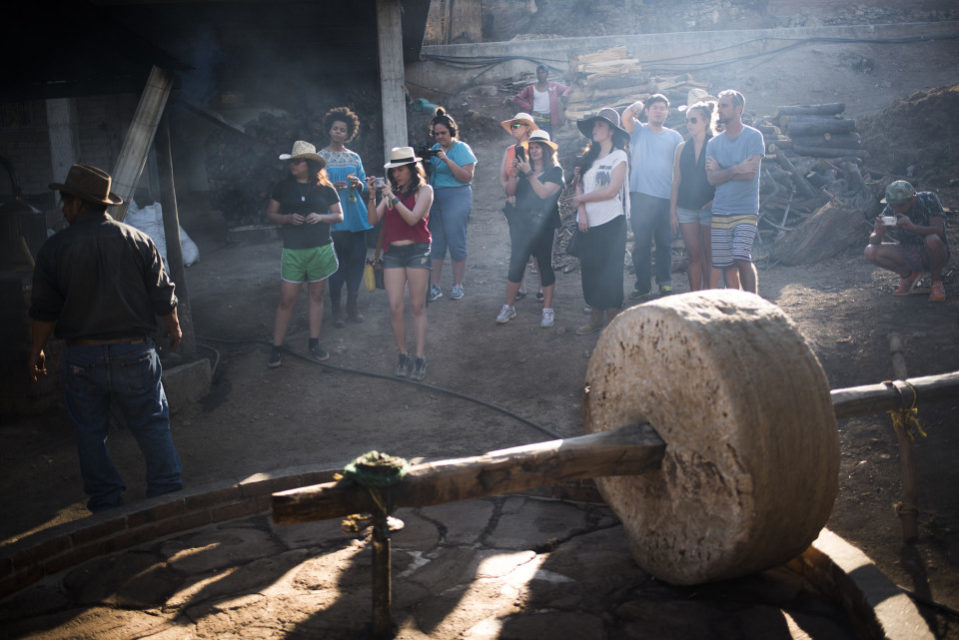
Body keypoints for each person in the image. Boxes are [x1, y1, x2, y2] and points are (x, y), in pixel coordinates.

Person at [28, 163, 183, 512]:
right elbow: (163, 293)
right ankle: (168, 490)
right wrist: (174, 327)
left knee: (90, 432)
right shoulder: (138, 240)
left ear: (79, 204)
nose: (64, 208)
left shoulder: (54, 249)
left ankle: (107, 500)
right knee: (151, 423)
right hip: (135, 353)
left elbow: (44, 309)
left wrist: (36, 351)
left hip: (83, 359)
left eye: (66, 202)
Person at [266, 141, 343, 367]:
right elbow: (271, 214)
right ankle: (276, 346)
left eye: (297, 161)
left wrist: (321, 217)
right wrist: (287, 218)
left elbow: (339, 216)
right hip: (293, 250)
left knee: (316, 297)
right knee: (287, 300)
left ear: (309, 164)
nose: (293, 165)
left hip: (320, 248)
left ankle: (314, 342)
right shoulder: (282, 187)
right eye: (292, 161)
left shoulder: (326, 188)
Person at [367, 147, 435, 380]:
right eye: (394, 170)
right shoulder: (389, 193)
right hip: (393, 252)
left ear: (412, 169)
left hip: (418, 249)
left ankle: (419, 356)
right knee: (395, 307)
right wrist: (374, 196)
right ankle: (403, 354)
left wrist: (392, 197)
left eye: (401, 170)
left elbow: (413, 218)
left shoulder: (425, 190)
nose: (397, 174)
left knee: (417, 307)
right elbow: (372, 219)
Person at [571, 107, 630, 335]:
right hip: (588, 222)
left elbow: (611, 190)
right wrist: (582, 211)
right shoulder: (589, 157)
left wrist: (581, 200)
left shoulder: (619, 156)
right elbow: (579, 184)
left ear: (611, 131)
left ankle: (611, 321)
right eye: (594, 125)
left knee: (611, 272)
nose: (595, 130)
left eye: (600, 126)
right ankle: (595, 318)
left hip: (612, 222)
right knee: (590, 270)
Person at [497, 129, 564, 328]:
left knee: (544, 265)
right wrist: (516, 173)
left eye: (538, 147)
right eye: (531, 147)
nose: (534, 151)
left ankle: (547, 309)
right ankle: (508, 306)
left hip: (545, 225)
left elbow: (544, 194)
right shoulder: (524, 169)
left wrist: (528, 173)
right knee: (516, 264)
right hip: (522, 224)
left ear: (546, 150)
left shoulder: (555, 172)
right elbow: (509, 191)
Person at [622, 94, 684, 299]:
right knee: (641, 244)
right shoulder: (638, 131)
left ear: (668, 112)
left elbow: (679, 169)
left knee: (665, 242)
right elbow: (626, 117)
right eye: (654, 107)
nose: (659, 111)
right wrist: (640, 103)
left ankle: (665, 282)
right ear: (647, 111)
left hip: (666, 197)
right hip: (640, 195)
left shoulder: (675, 137)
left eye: (662, 108)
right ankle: (642, 284)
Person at [705, 89, 764, 293]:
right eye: (718, 105)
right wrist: (736, 169)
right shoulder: (713, 143)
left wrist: (723, 171)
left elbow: (750, 174)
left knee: (742, 256)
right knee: (726, 265)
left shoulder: (753, 137)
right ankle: (738, 307)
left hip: (746, 209)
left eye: (724, 105)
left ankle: (753, 303)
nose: (719, 110)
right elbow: (711, 179)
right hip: (721, 210)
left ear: (738, 109)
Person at [320, 107, 372, 327]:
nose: (338, 132)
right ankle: (336, 310)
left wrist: (357, 184)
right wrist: (331, 186)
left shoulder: (354, 156)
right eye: (335, 129)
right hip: (334, 219)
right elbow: (315, 187)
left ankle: (353, 307)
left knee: (357, 263)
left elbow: (363, 185)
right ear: (329, 130)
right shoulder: (320, 157)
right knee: (336, 266)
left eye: (343, 129)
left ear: (348, 133)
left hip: (356, 217)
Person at [865, 180, 949, 302]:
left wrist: (913, 227)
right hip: (907, 251)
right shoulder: (890, 209)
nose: (897, 209)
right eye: (894, 205)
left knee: (933, 239)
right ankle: (909, 276)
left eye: (901, 205)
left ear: (912, 199)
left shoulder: (929, 199)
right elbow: (874, 241)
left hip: (933, 252)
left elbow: (939, 230)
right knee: (870, 251)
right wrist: (878, 232)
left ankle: (936, 282)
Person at [426, 107, 476, 302]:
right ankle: (434, 285)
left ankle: (457, 284)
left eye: (443, 133)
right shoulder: (433, 150)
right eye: (436, 134)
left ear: (452, 132)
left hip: (457, 196)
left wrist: (445, 159)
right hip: (436, 197)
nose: (440, 137)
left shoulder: (462, 148)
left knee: (456, 241)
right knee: (436, 242)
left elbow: (466, 177)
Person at [669, 101, 717, 291]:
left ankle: (709, 296)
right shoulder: (681, 147)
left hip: (709, 206)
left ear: (705, 121)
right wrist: (672, 211)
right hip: (685, 207)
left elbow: (724, 176)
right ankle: (695, 298)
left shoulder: (716, 144)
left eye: (693, 120)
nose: (689, 124)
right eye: (687, 120)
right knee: (694, 255)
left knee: (709, 255)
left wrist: (717, 201)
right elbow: (676, 181)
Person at [499, 112, 540, 301]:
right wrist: (509, 192)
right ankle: (521, 287)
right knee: (518, 246)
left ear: (528, 128)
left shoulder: (536, 148)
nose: (514, 129)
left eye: (517, 126)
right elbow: (503, 176)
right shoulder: (509, 151)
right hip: (513, 205)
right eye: (513, 126)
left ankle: (542, 285)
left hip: (533, 204)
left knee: (538, 247)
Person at [512, 64, 571, 135]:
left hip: (549, 121)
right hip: (535, 120)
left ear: (547, 74)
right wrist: (528, 106)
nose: (541, 75)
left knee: (547, 141)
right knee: (535, 140)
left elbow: (568, 88)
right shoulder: (530, 88)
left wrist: (565, 95)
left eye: (543, 72)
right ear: (537, 75)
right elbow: (516, 99)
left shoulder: (554, 86)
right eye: (539, 73)